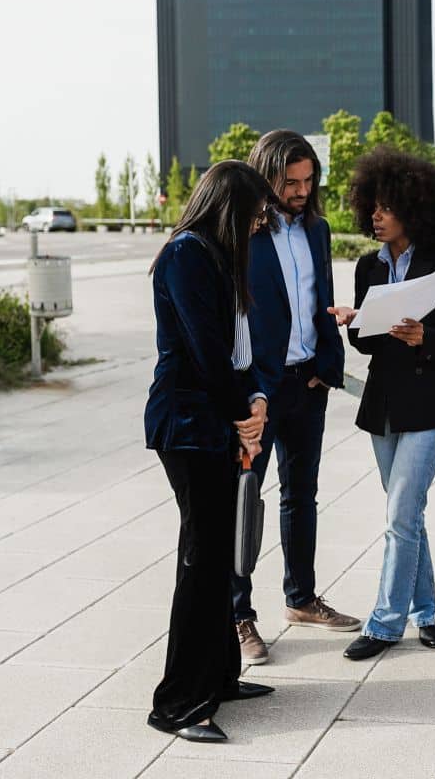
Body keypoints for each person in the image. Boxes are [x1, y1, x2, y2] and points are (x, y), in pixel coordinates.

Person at [144, 160, 277, 743]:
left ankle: (219, 676)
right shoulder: (186, 255)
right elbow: (203, 352)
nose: (259, 225)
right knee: (202, 561)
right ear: (231, 208)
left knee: (219, 554)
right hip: (189, 426)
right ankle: (177, 703)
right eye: (255, 214)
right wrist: (242, 416)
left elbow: (237, 352)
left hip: (215, 421)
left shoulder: (217, 258)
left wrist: (254, 399)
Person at [330, 148, 435, 660]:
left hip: (431, 402)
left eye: (386, 206)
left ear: (413, 209)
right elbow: (366, 347)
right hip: (384, 402)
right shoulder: (369, 265)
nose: (375, 215)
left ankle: (386, 622)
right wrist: (358, 321)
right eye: (371, 205)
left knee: (400, 513)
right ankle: (428, 611)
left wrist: (423, 337)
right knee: (406, 514)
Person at [231, 131, 360, 666]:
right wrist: (243, 391)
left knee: (301, 495)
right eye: (291, 182)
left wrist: (328, 367)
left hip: (307, 383)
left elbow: (320, 298)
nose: (302, 191)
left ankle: (301, 599)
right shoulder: (241, 233)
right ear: (267, 178)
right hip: (259, 389)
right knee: (244, 500)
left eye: (309, 182)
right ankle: (239, 616)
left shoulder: (318, 229)